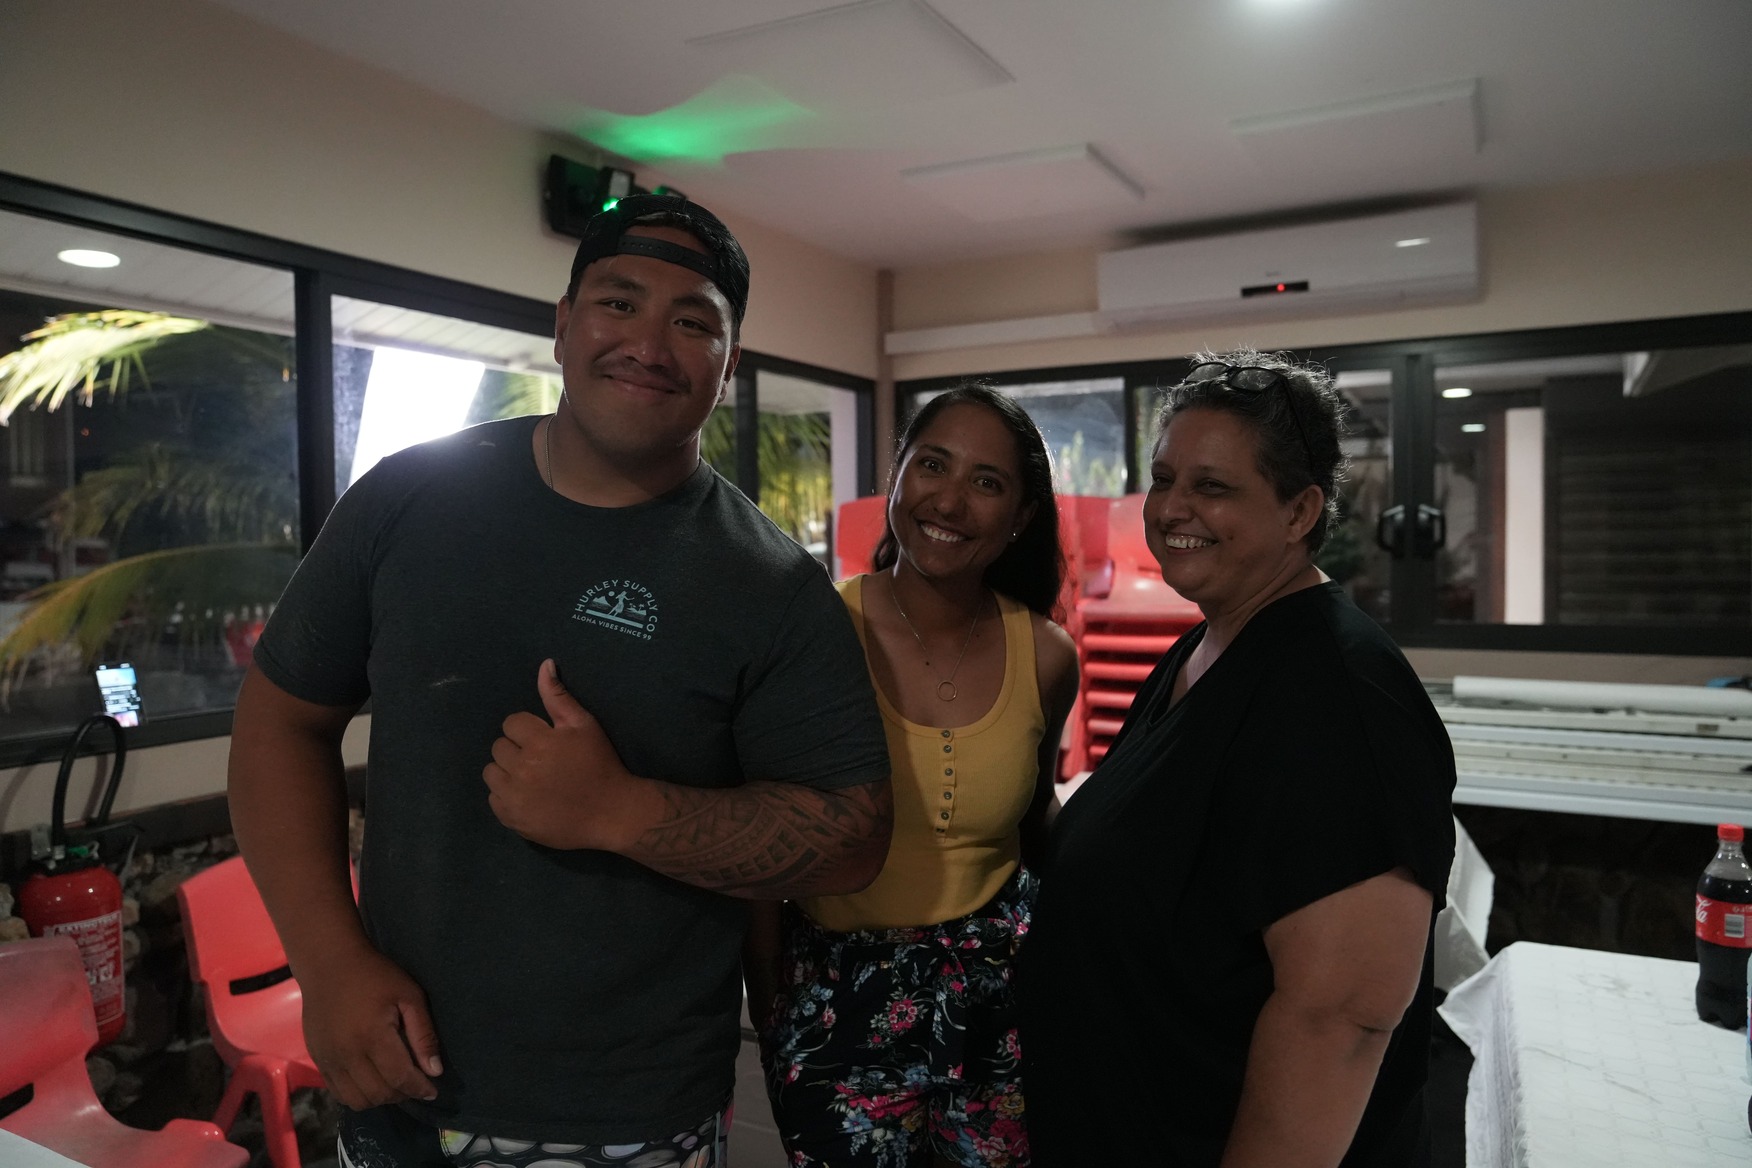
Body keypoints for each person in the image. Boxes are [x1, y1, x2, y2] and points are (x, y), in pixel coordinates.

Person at [227, 193, 893, 1168]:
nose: (648, 344)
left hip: (628, 1108)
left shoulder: (772, 585)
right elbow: (281, 721)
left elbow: (851, 835)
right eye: (619, 303)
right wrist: (328, 963)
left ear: (729, 363)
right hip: (396, 1075)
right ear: (563, 322)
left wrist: (622, 811)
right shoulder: (408, 498)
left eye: (693, 321)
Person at [1019, 351, 1456, 1167]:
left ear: (1300, 511)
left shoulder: (1340, 694)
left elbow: (1342, 1020)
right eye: (1164, 479)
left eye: (1213, 486)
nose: (1173, 508)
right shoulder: (1204, 648)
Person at [747, 384, 1080, 1167]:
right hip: (837, 999)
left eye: (987, 482)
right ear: (896, 474)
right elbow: (762, 838)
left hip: (998, 1001)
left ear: (1021, 517)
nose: (950, 500)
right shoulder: (810, 632)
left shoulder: (1046, 653)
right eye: (932, 465)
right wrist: (771, 1008)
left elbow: (1038, 823)